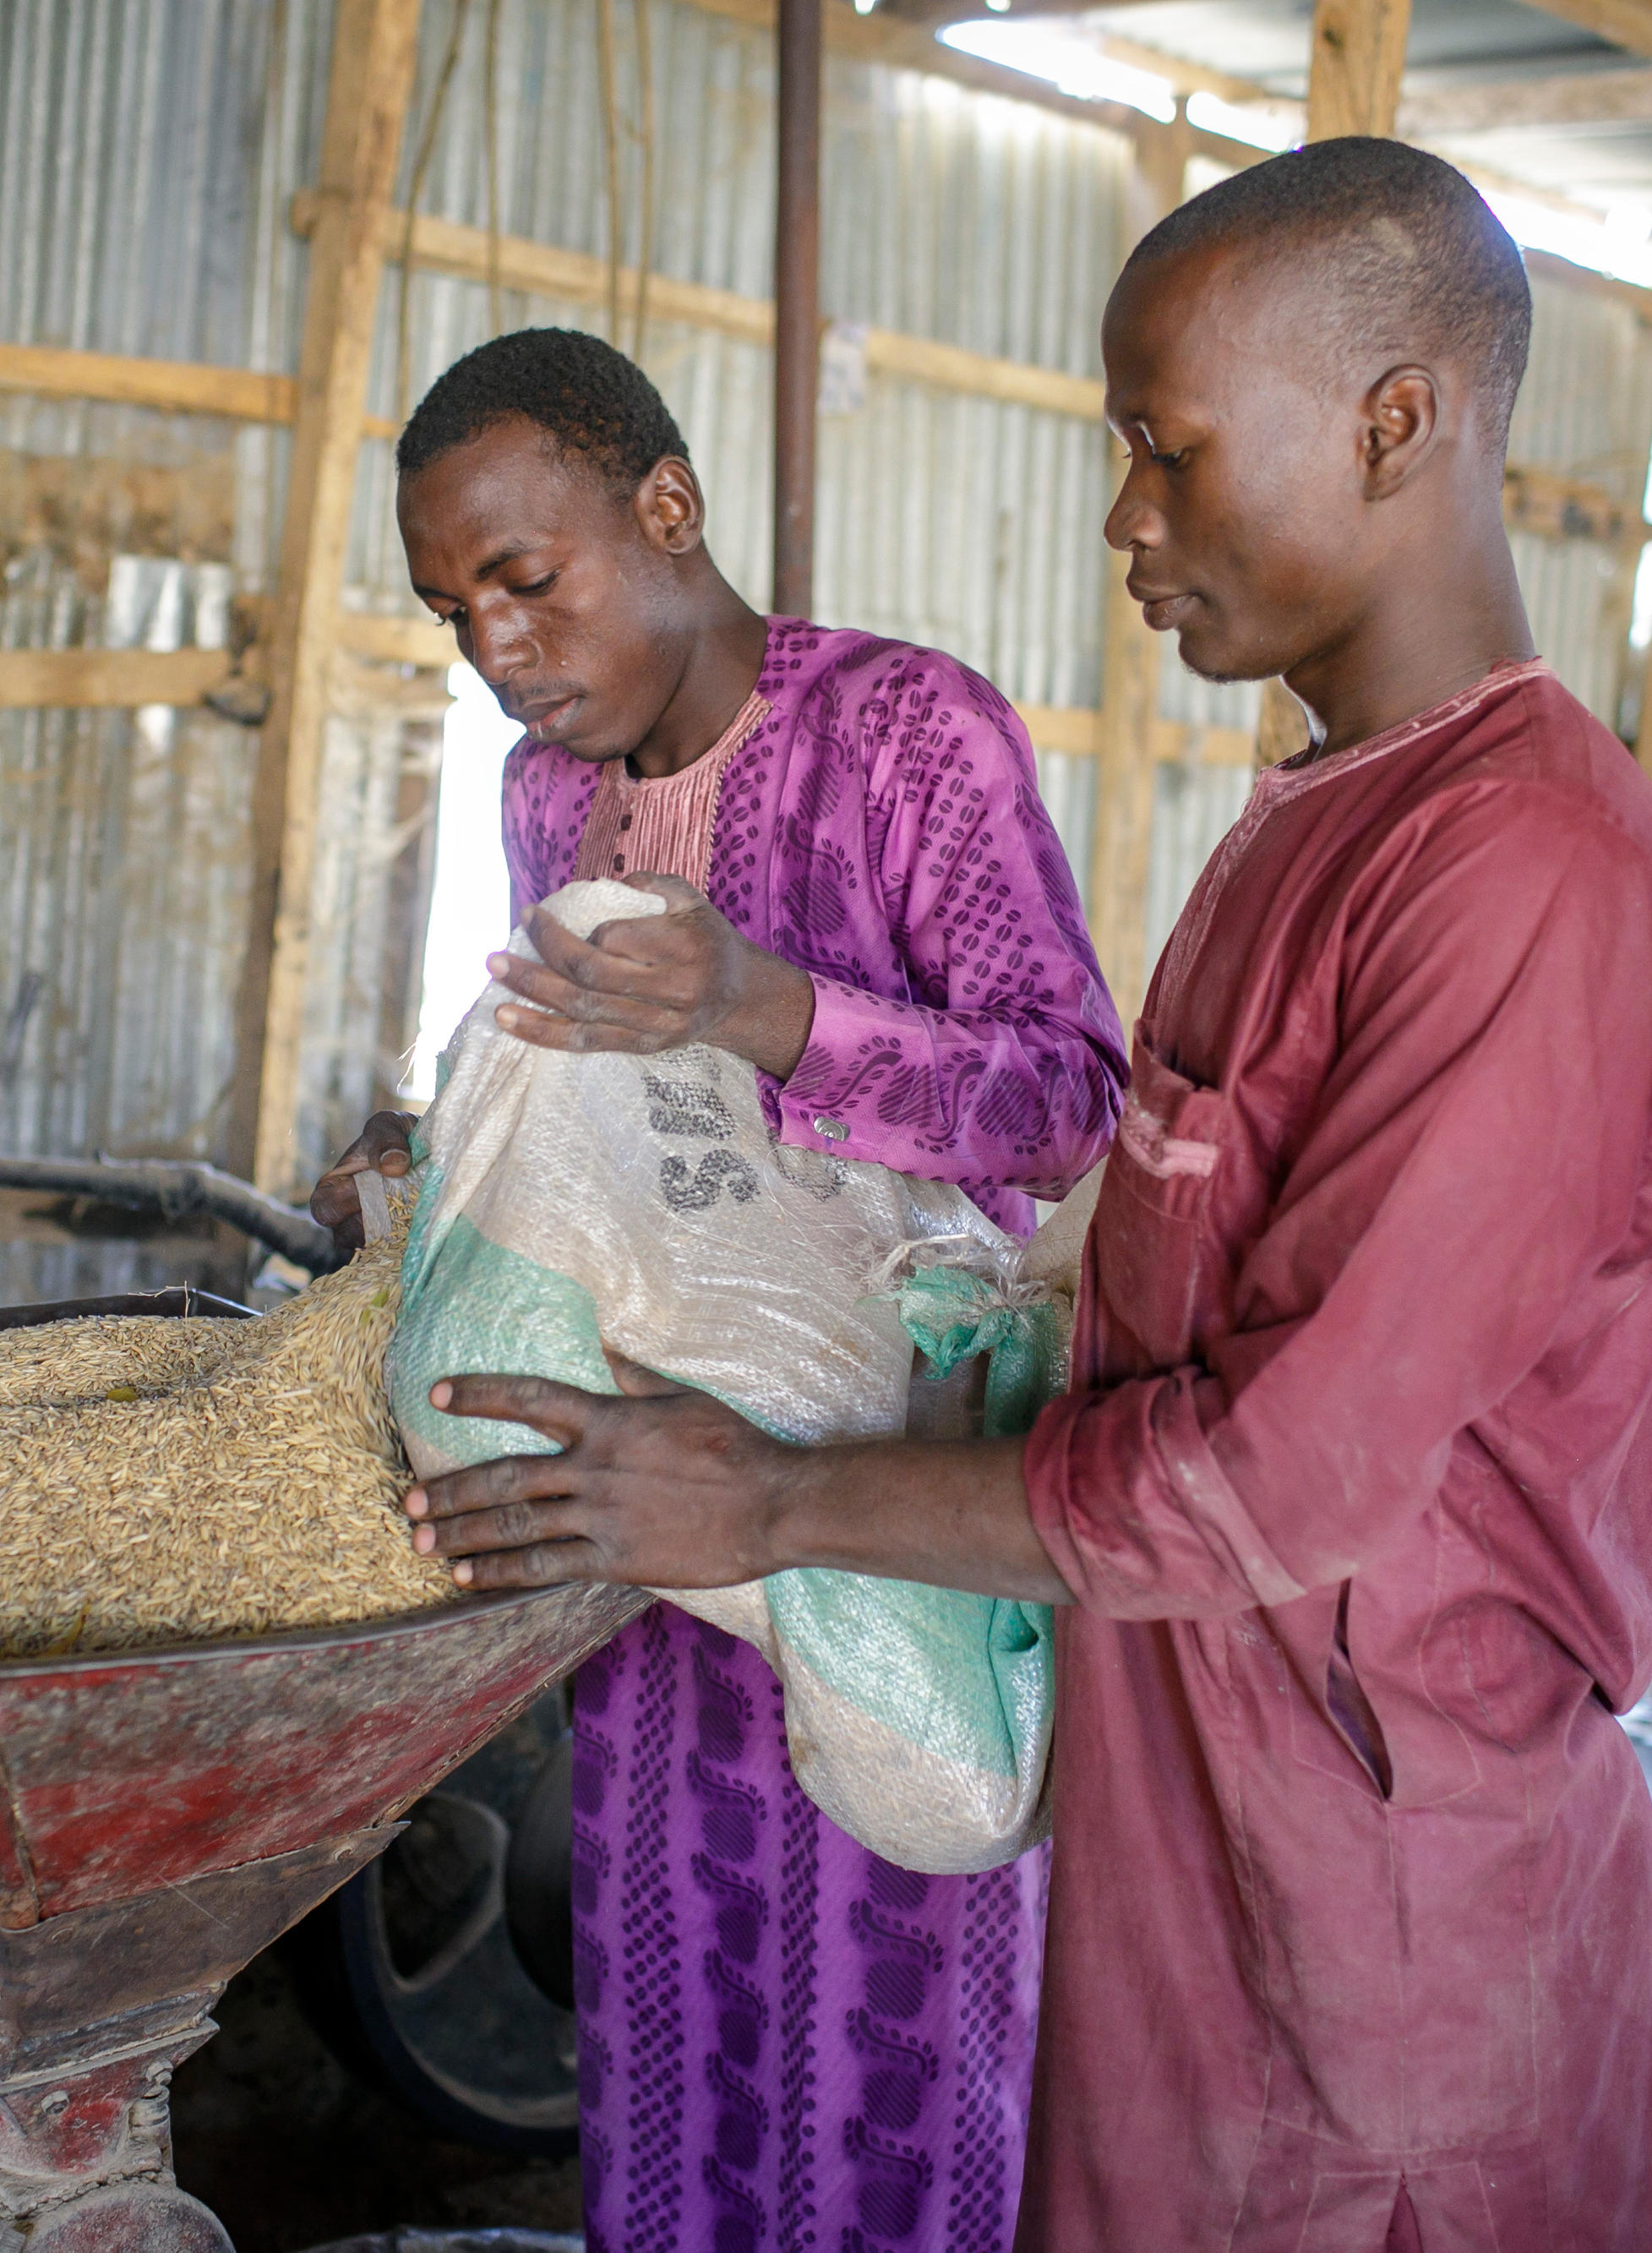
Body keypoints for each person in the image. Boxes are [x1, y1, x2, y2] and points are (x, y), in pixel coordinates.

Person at [395, 144, 1652, 2253]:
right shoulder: (1304, 826)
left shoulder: (1524, 875)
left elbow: (1276, 1471)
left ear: (1393, 421)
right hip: (1169, 1802)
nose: (1126, 512)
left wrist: (764, 1498)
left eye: (1168, 446)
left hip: (1372, 1904)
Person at [308, 326, 1128, 2253]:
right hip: (653, 1519)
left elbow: (1067, 1103)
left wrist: (759, 1006)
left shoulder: (911, 734)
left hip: (890, 1505)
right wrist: (436, 1171)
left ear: (664, 508)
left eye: (528, 580)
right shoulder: (540, 801)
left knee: (896, 2038)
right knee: (674, 2018)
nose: (496, 648)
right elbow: (589, 1133)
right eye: (450, 610)